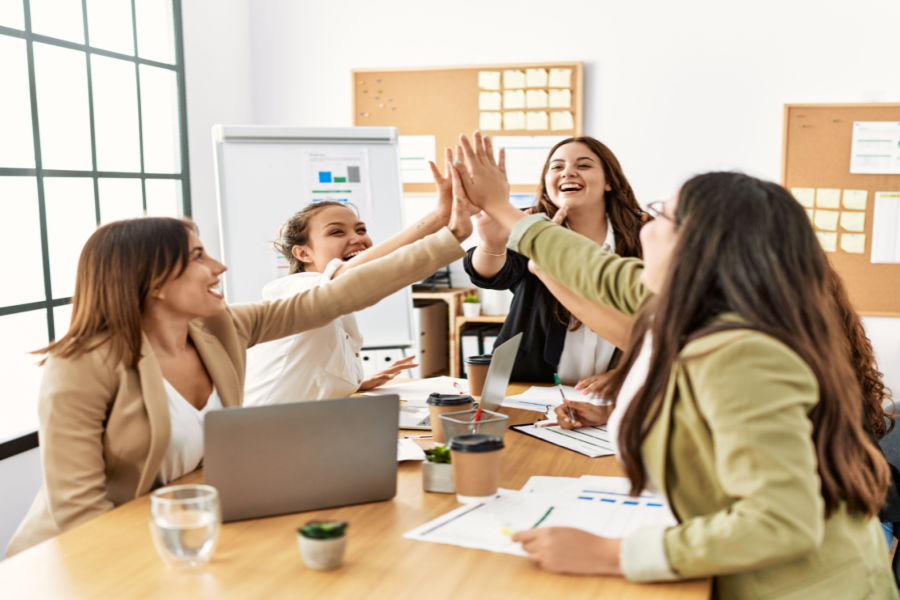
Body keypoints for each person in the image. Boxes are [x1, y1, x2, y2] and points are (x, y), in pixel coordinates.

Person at [451, 132, 896, 598]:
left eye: (662, 214)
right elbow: (596, 271)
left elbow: (781, 521)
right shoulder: (697, 307)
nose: (645, 226)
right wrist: (502, 210)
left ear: (699, 247)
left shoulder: (744, 352)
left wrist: (611, 554)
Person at [7, 196, 473, 556]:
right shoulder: (81, 365)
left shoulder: (221, 329)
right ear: (153, 281)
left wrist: (450, 234)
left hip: (178, 532)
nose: (219, 267)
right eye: (197, 257)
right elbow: (79, 514)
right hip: (78, 558)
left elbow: (338, 296)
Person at [244, 152, 458, 404]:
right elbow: (347, 276)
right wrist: (440, 217)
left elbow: (310, 374)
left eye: (361, 229)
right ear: (303, 253)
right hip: (263, 430)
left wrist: (356, 383)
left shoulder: (337, 303)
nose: (358, 239)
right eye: (336, 232)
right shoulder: (297, 288)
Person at [462, 135, 644, 388]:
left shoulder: (645, 235)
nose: (568, 173)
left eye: (583, 165)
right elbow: (491, 275)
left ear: (609, 181)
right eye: (557, 167)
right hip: (534, 387)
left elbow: (661, 323)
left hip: (613, 391)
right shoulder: (531, 224)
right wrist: (491, 243)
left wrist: (623, 374)